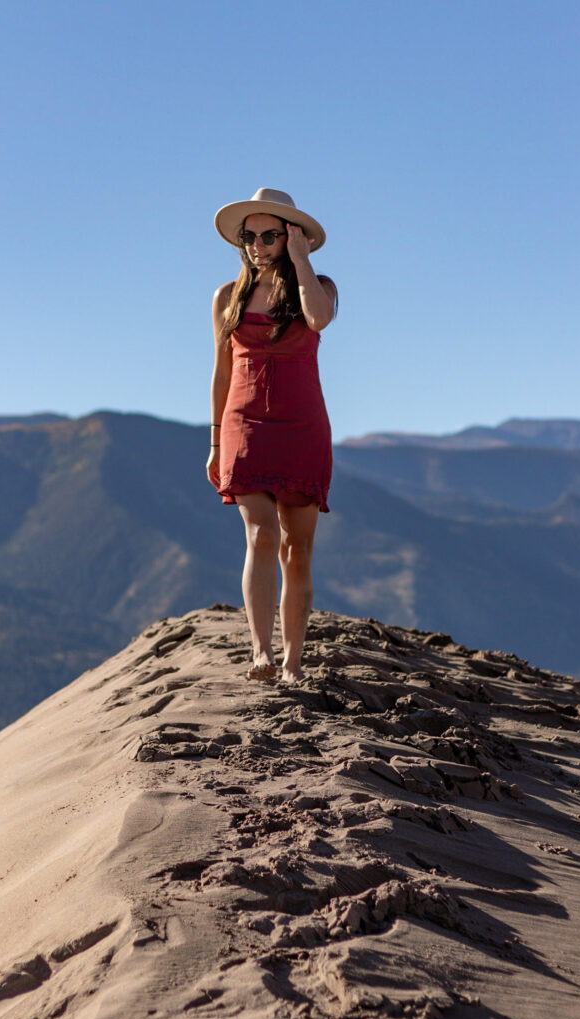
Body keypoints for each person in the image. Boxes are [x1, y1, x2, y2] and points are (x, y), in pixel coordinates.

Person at [207, 187, 337, 684]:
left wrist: (301, 260)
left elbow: (318, 318)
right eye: (249, 236)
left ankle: (293, 662)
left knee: (297, 548)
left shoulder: (319, 286)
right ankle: (260, 652)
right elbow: (221, 373)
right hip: (245, 424)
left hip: (302, 426)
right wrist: (216, 441)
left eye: (268, 235)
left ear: (290, 236)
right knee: (261, 534)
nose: (256, 244)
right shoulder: (227, 296)